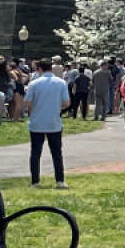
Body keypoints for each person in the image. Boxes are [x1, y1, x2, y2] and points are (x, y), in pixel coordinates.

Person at [24, 60, 71, 189]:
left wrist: (36, 105)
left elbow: (27, 103)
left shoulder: (34, 83)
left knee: (35, 152)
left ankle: (35, 181)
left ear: (39, 69)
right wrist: (57, 108)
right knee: (56, 152)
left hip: (37, 122)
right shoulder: (61, 83)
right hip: (54, 122)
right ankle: (60, 180)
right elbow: (67, 103)